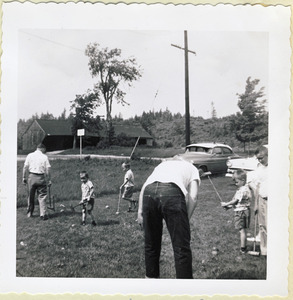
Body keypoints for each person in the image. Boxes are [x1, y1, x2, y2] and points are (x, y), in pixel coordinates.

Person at [137, 159, 200, 279]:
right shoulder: (192, 168)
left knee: (151, 244)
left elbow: (144, 187)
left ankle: (150, 280)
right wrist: (185, 219)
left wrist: (140, 211)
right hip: (171, 192)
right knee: (181, 247)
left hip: (149, 193)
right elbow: (194, 196)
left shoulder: (163, 164)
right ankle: (184, 287)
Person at [221, 169, 252, 254]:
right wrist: (229, 207)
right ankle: (244, 247)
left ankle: (243, 248)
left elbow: (235, 201)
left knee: (241, 230)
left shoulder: (242, 190)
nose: (235, 184)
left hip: (241, 213)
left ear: (242, 180)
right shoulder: (245, 188)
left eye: (237, 182)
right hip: (245, 211)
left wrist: (226, 204)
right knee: (243, 230)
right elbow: (239, 202)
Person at [247, 145, 268, 256]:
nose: (260, 160)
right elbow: (257, 187)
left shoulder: (275, 167)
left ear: (268, 155)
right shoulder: (259, 169)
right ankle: (264, 250)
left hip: (272, 200)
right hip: (261, 199)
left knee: (271, 225)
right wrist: (256, 204)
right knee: (262, 225)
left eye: (261, 157)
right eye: (258, 158)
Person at [22, 143, 51, 220]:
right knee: (42, 196)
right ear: (42, 149)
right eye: (44, 150)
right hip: (41, 177)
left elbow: (25, 167)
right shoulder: (44, 157)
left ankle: (30, 213)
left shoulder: (30, 155)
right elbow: (48, 169)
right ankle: (43, 214)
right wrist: (49, 179)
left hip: (31, 177)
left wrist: (24, 177)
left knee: (30, 196)